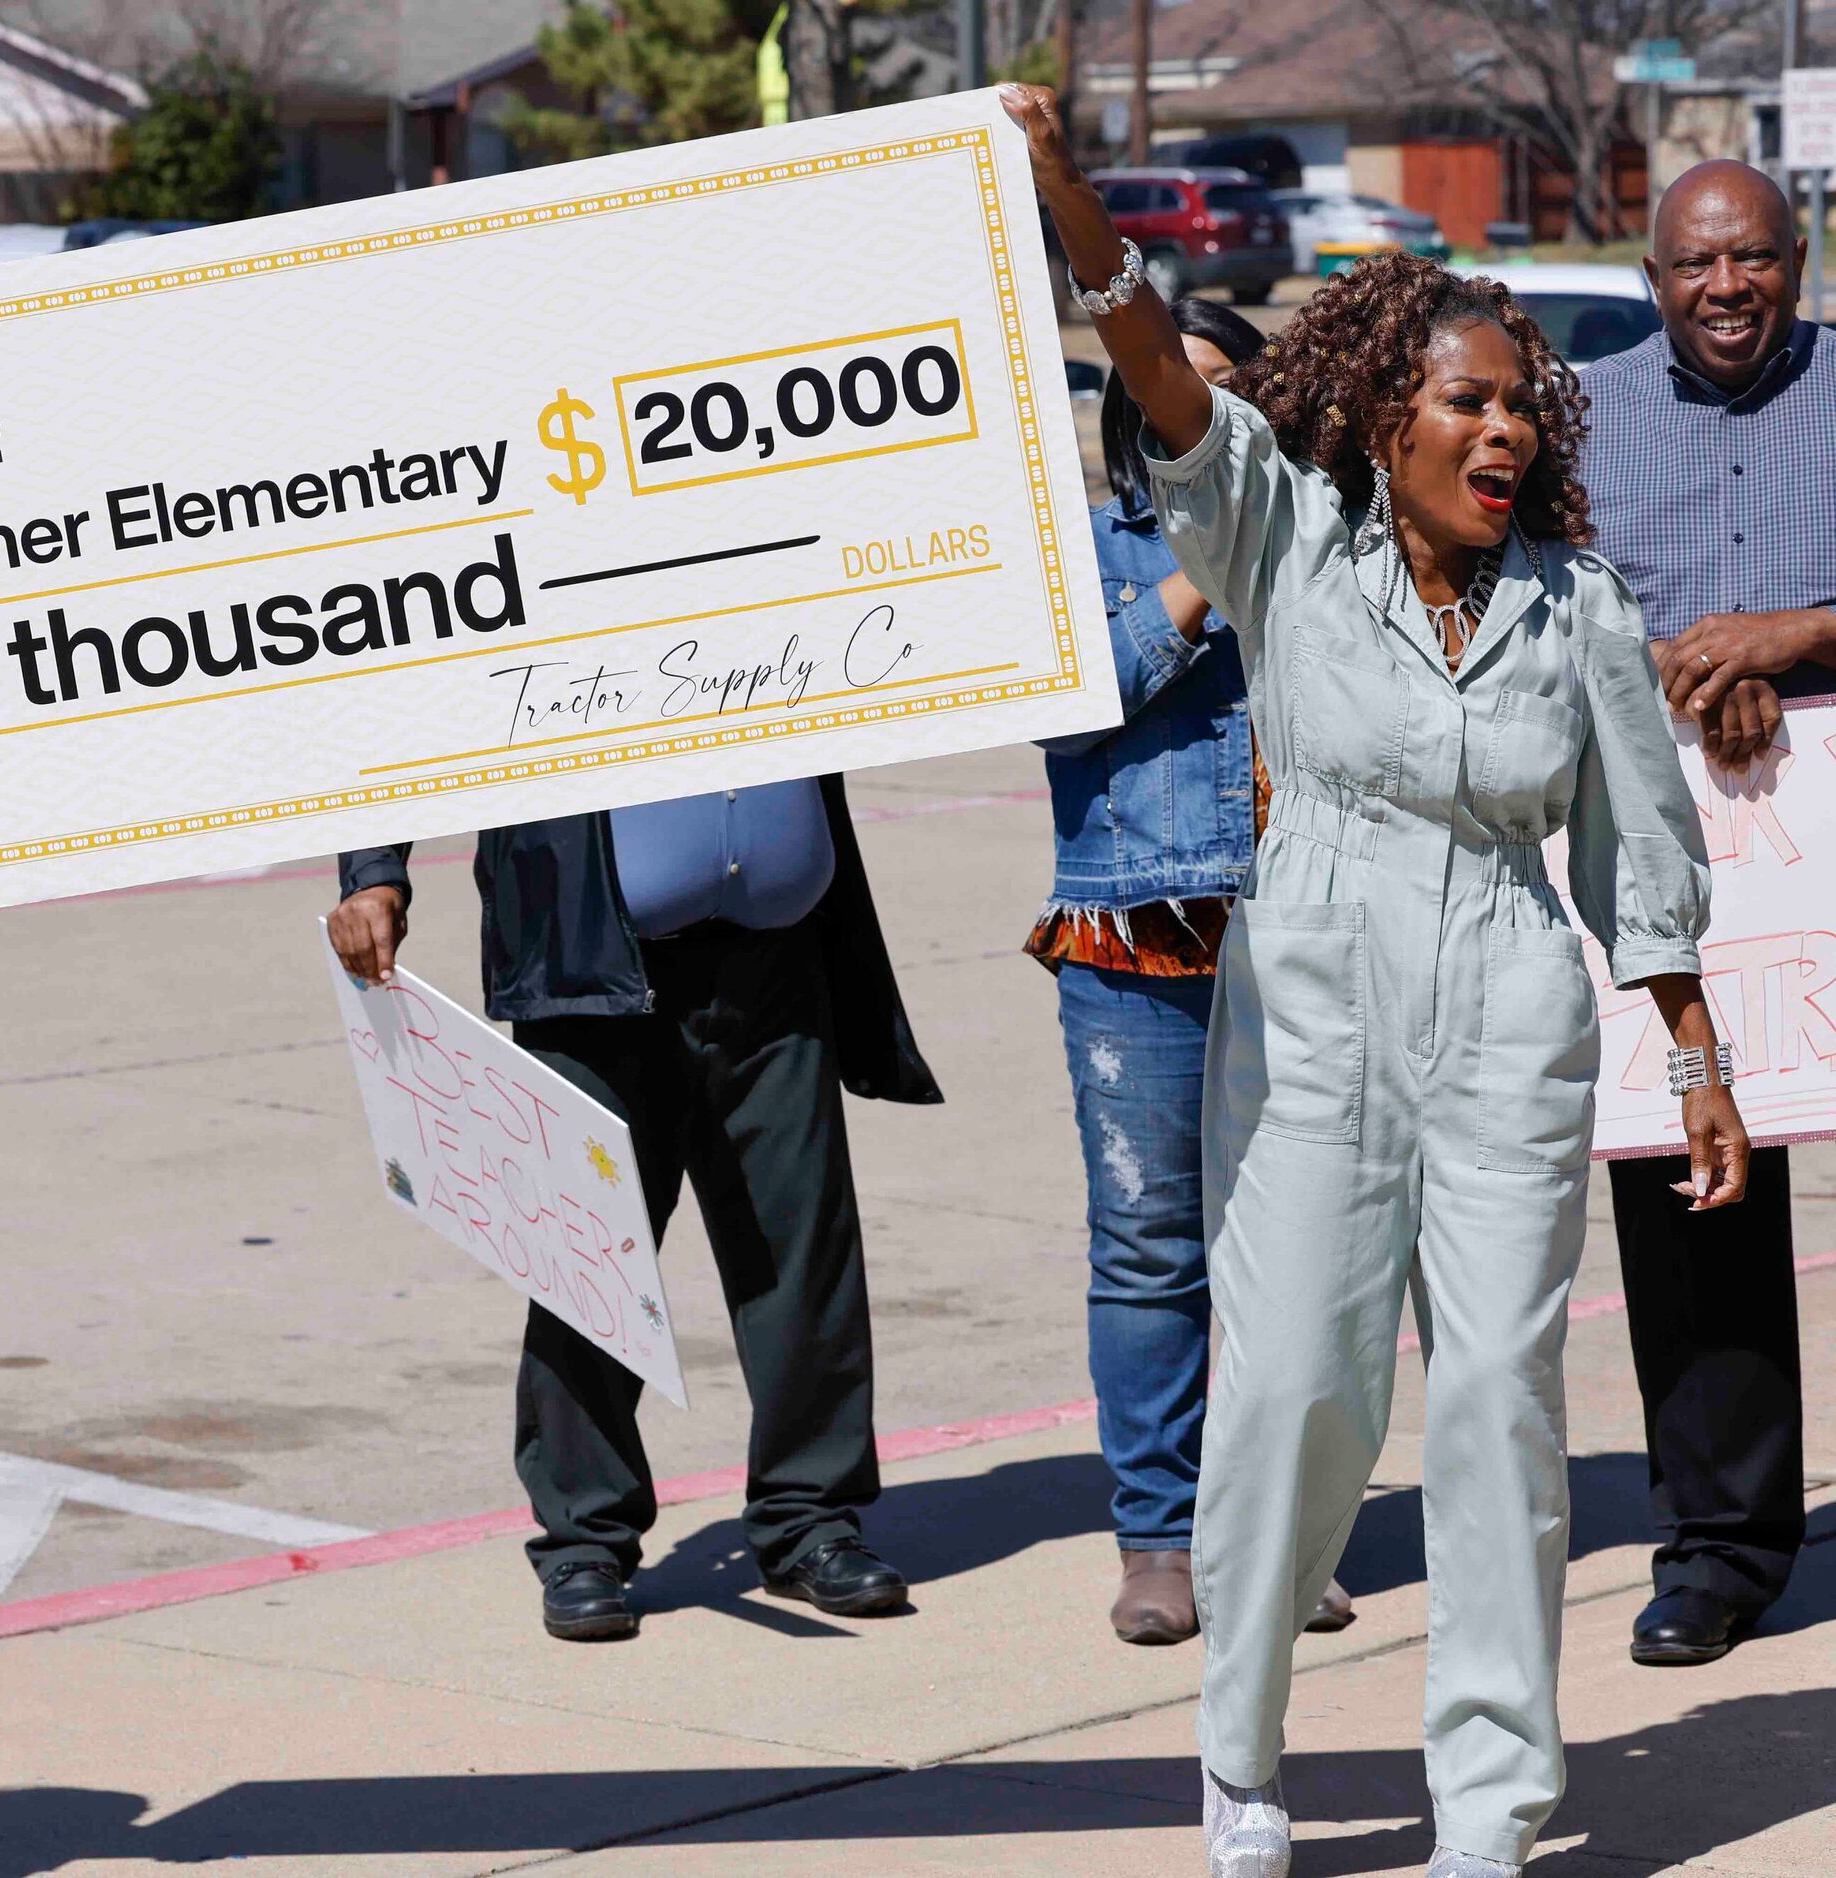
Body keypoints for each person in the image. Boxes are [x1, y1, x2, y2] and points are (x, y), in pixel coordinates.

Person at [1004, 84, 1750, 1878]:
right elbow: (1167, 382)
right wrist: (1062, 195)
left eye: (1521, 405)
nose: (1502, 429)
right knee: (1294, 1389)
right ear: (1378, 412)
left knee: (1499, 1401)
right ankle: (1242, 1759)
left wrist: (1694, 1038)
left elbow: (1636, 838)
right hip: (1317, 980)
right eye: (1466, 399)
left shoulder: (1572, 602)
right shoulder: (1283, 536)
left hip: (1507, 985)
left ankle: (1489, 1802)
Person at [329, 775, 938, 1642]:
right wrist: (374, 870)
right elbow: (405, 693)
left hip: (778, 957)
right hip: (590, 955)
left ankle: (810, 1522)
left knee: (803, 1250)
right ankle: (585, 1537)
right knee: (586, 1255)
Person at [1031, 295, 1350, 1648]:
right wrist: (1200, 574)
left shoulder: (1318, 546)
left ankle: (1282, 1529)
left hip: (1303, 936)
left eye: (1224, 391)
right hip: (1134, 942)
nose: (1196, 414)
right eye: (1171, 388)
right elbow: (1068, 700)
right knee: (1152, 1246)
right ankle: (1158, 1536)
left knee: (1295, 1252)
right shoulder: (1080, 550)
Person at [1576, 157, 1836, 1669]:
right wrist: (1676, 659)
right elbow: (1531, 593)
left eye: (1751, 261)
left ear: (1796, 260)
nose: (1724, 288)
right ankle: (1721, 1546)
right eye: (1693, 266)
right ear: (1653, 277)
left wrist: (1791, 633)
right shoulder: (1581, 410)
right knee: (1697, 1181)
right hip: (1682, 855)